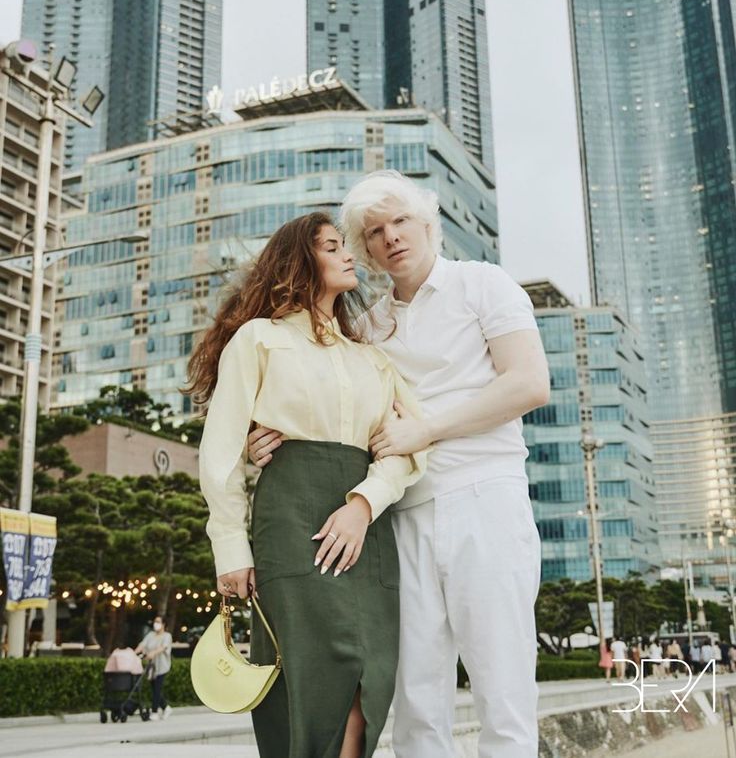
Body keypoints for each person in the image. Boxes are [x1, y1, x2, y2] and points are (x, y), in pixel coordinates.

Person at [250, 171, 550, 758]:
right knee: (414, 698)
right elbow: (328, 404)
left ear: (428, 222)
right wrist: (265, 438)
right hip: (400, 516)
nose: (391, 237)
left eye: (401, 221)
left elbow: (530, 383)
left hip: (484, 496)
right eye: (375, 232)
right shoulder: (364, 328)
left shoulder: (484, 285)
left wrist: (426, 429)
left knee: (502, 687)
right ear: (365, 250)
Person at [192, 213, 426, 758]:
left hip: (365, 531)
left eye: (346, 245)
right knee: (309, 683)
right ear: (301, 261)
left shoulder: (372, 358)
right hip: (290, 524)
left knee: (367, 679)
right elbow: (220, 451)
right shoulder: (260, 339)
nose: (348, 255)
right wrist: (229, 547)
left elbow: (414, 444)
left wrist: (365, 503)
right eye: (330, 247)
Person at [136, 616, 172, 720]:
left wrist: (153, 653)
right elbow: (142, 644)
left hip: (162, 666)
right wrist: (133, 653)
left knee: (157, 688)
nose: (156, 623)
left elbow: (163, 647)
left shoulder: (167, 636)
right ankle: (166, 708)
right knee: (154, 689)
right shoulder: (151, 635)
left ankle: (155, 712)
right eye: (155, 621)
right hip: (152, 668)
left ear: (163, 624)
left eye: (158, 622)